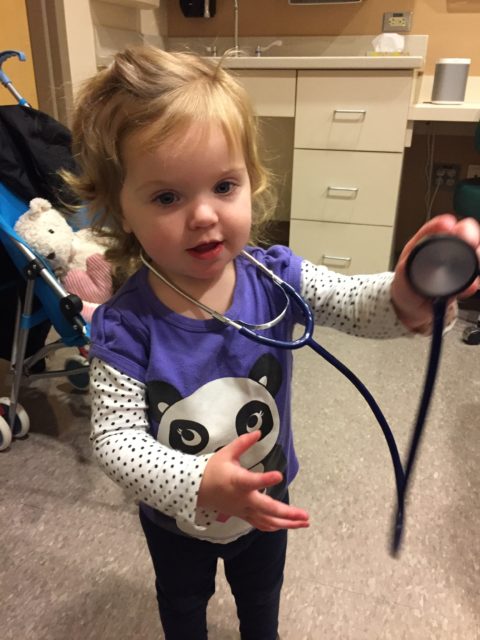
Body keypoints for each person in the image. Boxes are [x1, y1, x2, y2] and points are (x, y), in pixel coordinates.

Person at [64, 45, 480, 640]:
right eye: (166, 197)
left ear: (251, 181)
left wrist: (406, 296)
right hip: (178, 520)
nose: (204, 215)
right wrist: (196, 482)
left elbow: (351, 301)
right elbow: (114, 440)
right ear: (121, 211)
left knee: (262, 604)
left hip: (266, 503)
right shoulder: (124, 325)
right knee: (183, 606)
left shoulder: (275, 278)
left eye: (223, 185)